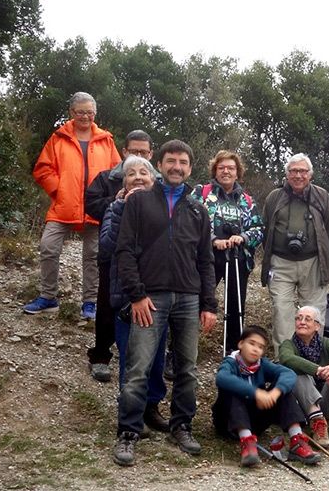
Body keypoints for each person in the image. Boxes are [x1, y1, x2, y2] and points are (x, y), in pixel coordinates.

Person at [112, 140, 218, 467]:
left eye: (183, 162)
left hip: (188, 298)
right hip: (150, 297)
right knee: (138, 367)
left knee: (187, 368)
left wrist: (209, 304)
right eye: (171, 161)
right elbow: (124, 252)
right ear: (160, 163)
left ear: (190, 168)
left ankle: (181, 426)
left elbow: (205, 260)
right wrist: (137, 295)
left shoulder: (199, 209)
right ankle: (128, 431)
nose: (176, 167)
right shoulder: (139, 202)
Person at [24, 92, 121, 317]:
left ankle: (90, 303)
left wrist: (108, 197)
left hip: (95, 208)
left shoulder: (106, 140)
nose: (85, 116)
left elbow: (117, 173)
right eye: (80, 112)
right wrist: (59, 189)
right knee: (48, 247)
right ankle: (48, 297)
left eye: (89, 112)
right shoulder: (58, 138)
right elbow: (42, 168)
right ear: (71, 113)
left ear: (95, 114)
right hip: (63, 206)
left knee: (94, 255)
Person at [98, 156, 170, 436]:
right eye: (132, 174)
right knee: (131, 357)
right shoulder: (115, 208)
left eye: (145, 173)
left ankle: (151, 407)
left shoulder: (164, 210)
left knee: (157, 358)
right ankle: (130, 413)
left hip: (159, 295)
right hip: (127, 296)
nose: (138, 177)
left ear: (154, 181)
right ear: (123, 182)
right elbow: (105, 248)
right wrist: (121, 209)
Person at [84, 130, 155, 383]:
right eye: (133, 151)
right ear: (124, 152)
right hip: (111, 256)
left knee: (145, 308)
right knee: (107, 306)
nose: (137, 157)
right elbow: (90, 203)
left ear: (151, 154)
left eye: (143, 152)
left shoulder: (155, 183)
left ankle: (143, 362)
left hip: (147, 261)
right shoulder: (108, 178)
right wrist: (117, 202)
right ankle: (101, 356)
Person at [213, 326, 322, 468]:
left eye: (260, 347)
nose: (255, 349)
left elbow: (289, 374)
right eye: (251, 343)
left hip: (256, 421)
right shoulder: (230, 363)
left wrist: (275, 392)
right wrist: (256, 393)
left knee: (284, 391)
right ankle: (247, 443)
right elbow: (222, 378)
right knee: (232, 391)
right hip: (228, 422)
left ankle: (297, 441)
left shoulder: (262, 364)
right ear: (240, 344)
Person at [262, 154, 329, 355]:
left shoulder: (322, 196)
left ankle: (312, 360)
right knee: (281, 312)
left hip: (313, 262)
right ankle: (285, 361)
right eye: (294, 171)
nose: (298, 175)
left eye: (302, 171)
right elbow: (265, 229)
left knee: (313, 314)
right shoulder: (274, 197)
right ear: (287, 174)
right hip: (280, 263)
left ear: (310, 175)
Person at [191, 150, 264, 355]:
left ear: (237, 172)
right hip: (206, 257)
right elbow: (190, 219)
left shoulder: (247, 201)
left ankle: (234, 352)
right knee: (197, 301)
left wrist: (243, 238)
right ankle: (180, 350)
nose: (226, 171)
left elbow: (259, 229)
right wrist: (213, 239)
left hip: (237, 259)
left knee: (235, 307)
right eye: (221, 167)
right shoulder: (201, 193)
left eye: (230, 168)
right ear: (215, 170)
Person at [278, 305, 329, 449]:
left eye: (307, 319)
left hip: (327, 401)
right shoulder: (288, 344)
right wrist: (319, 370)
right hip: (304, 406)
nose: (301, 322)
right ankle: (317, 422)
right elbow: (286, 359)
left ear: (317, 326)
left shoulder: (325, 343)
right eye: (298, 318)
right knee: (295, 372)